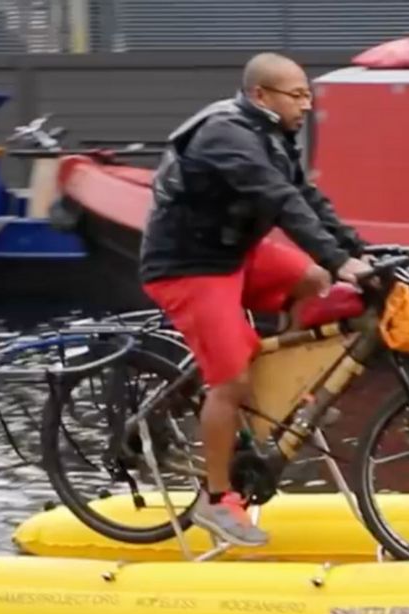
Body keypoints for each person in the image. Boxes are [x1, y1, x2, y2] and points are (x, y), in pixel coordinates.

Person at [139, 52, 372, 545]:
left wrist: (359, 252)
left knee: (310, 280)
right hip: (189, 267)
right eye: (297, 95)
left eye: (309, 95)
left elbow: (306, 197)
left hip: (233, 256)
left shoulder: (275, 135)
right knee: (230, 380)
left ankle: (278, 396)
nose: (307, 105)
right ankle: (216, 499)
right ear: (260, 96)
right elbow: (279, 200)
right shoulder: (226, 135)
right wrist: (340, 262)